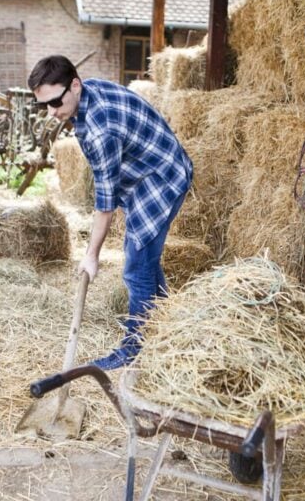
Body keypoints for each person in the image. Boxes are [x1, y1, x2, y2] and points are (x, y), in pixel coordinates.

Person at [28, 55, 193, 370]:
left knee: (136, 267)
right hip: (146, 171)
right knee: (144, 258)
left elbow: (106, 204)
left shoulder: (100, 130)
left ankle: (135, 349)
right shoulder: (84, 96)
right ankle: (165, 326)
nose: (51, 111)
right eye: (43, 105)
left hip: (162, 176)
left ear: (74, 85)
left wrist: (92, 254)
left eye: (55, 101)